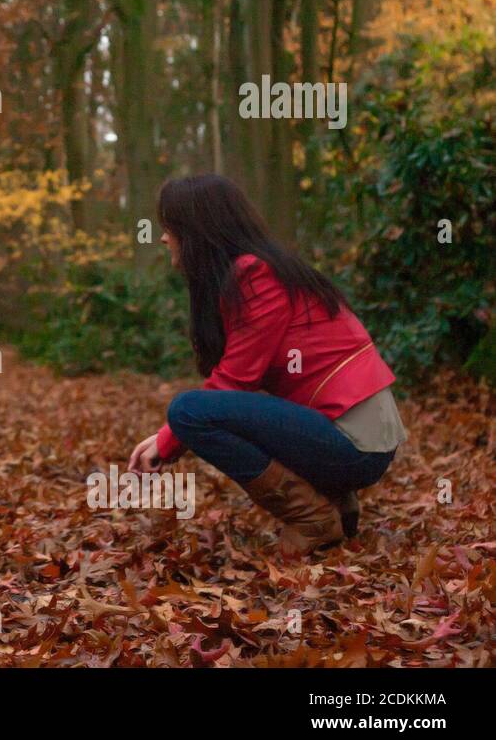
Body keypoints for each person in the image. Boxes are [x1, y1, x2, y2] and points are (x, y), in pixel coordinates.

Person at [127, 174, 408, 558]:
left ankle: (313, 518)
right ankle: (336, 504)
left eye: (170, 226)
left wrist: (168, 438)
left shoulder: (255, 275)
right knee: (195, 412)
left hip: (355, 442)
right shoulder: (256, 271)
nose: (163, 237)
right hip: (348, 435)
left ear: (197, 230)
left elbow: (235, 381)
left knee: (189, 410)